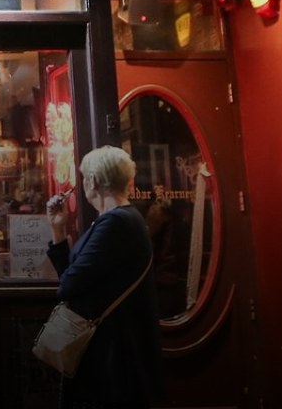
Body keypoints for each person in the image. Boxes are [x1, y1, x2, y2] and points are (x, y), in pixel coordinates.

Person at [46, 146, 164, 408]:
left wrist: (68, 275)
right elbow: (73, 277)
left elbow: (68, 284)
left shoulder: (116, 224)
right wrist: (58, 229)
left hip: (112, 357)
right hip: (111, 350)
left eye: (84, 178)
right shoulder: (117, 221)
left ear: (94, 181)